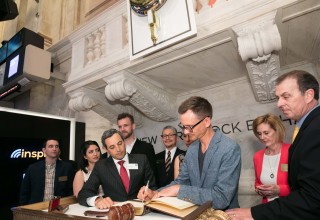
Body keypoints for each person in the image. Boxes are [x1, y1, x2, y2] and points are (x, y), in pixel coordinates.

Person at [226, 70, 320, 219]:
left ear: (308, 95)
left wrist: (252, 212)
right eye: (278, 98)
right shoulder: (306, 128)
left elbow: (312, 197)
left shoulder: (315, 129)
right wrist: (260, 189)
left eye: (286, 96)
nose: (279, 103)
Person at [138, 96, 241, 209]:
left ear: (206, 121)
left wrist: (180, 190)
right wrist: (155, 193)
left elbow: (221, 198)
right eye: (184, 127)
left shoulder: (229, 148)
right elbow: (181, 181)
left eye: (190, 127)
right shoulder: (192, 149)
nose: (186, 132)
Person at [77, 129, 156, 209]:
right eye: (112, 147)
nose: (118, 149)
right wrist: (97, 200)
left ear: (124, 141)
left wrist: (150, 193)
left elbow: (153, 187)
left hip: (140, 210)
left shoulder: (141, 160)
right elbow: (83, 194)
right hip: (115, 212)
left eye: (120, 143)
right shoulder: (101, 166)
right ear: (106, 149)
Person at [19, 138, 74, 205]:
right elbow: (25, 191)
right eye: (51, 146)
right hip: (36, 208)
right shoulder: (33, 168)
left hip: (59, 208)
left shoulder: (67, 167)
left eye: (56, 146)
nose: (54, 149)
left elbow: (70, 190)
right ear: (44, 150)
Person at [252, 113, 290, 203]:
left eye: (266, 133)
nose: (262, 137)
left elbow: (302, 186)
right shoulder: (257, 156)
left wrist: (280, 190)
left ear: (277, 130)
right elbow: (258, 182)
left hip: (291, 208)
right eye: (259, 134)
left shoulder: (292, 151)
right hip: (269, 209)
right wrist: (259, 189)